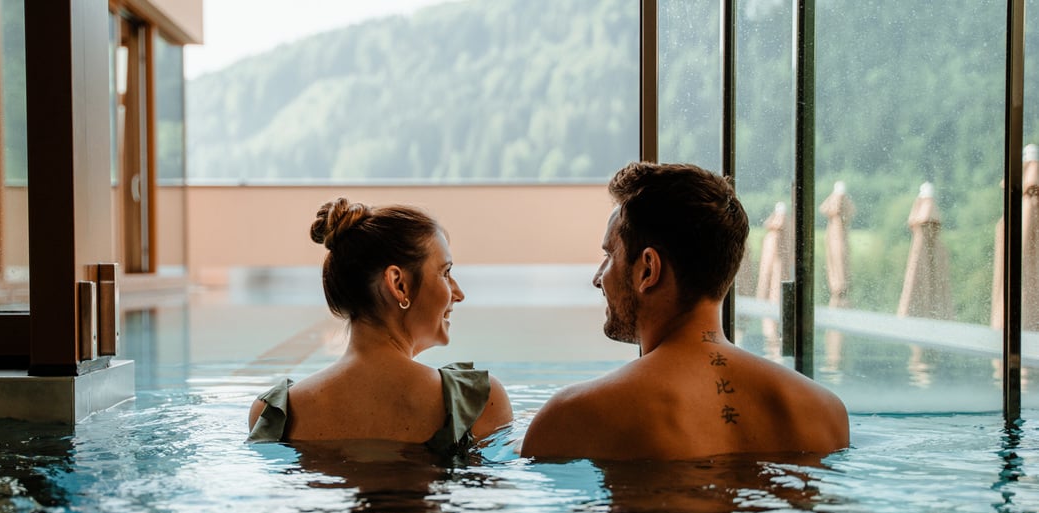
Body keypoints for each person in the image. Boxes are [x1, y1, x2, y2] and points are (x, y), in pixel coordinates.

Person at [521, 162, 849, 460]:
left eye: (609, 256)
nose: (598, 278)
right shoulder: (825, 414)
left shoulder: (576, 417)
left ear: (648, 270)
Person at [248, 198, 512, 456]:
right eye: (445, 273)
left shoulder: (272, 414)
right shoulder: (478, 403)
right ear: (399, 284)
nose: (458, 293)